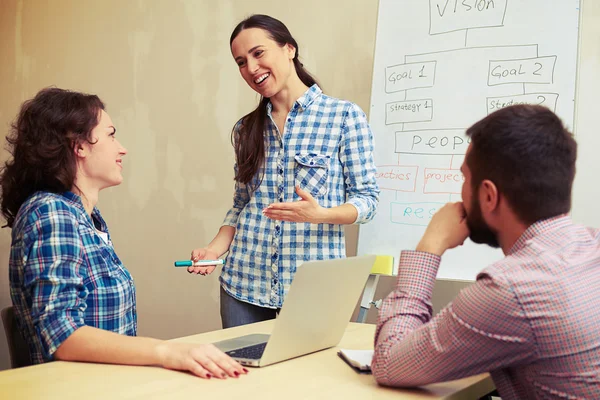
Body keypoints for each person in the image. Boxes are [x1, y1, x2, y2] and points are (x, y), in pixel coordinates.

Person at [1, 87, 246, 380]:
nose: (122, 148)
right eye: (111, 135)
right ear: (79, 145)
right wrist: (168, 352)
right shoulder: (50, 213)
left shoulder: (87, 218)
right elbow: (62, 334)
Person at [371, 104, 600, 399]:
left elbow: (389, 362)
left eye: (465, 179)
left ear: (489, 196)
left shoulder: (510, 290)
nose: (462, 191)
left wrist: (428, 248)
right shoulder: (593, 245)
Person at [188, 14, 379, 328]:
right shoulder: (246, 129)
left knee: (308, 376)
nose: (251, 68)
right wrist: (213, 249)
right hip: (243, 284)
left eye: (258, 53)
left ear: (289, 48)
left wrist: (322, 214)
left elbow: (368, 201)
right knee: (245, 375)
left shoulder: (344, 116)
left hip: (312, 289)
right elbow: (241, 205)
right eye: (240, 62)